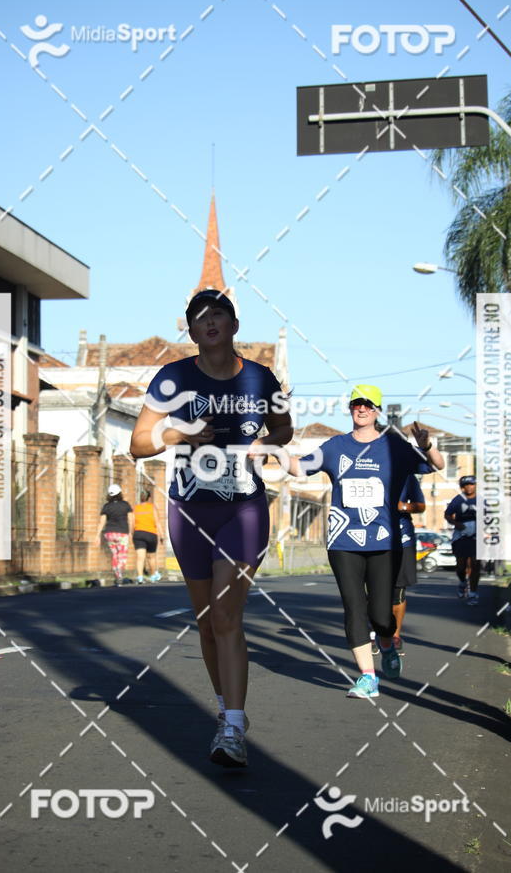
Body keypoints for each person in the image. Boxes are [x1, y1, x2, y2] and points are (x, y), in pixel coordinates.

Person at [130, 289, 293, 767]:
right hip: (188, 509)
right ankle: (226, 714)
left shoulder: (262, 378)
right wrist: (178, 433)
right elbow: (139, 444)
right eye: (199, 318)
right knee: (206, 623)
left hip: (243, 508)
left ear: (234, 325)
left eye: (218, 314)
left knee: (226, 617)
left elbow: (283, 429)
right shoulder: (173, 378)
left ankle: (235, 728)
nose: (210, 322)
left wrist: (265, 443)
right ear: (192, 330)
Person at [282, 384, 444, 699]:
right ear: (350, 408)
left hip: (385, 540)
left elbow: (436, 465)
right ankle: (367, 677)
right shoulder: (335, 447)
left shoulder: (395, 447)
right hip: (343, 539)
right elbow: (298, 468)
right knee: (353, 606)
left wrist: (427, 445)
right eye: (357, 403)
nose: (362, 409)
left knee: (381, 614)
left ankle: (386, 642)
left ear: (378, 411)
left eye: (368, 405)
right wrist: (275, 449)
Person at [391, 475, 426, 654]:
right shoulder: (365, 468)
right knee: (373, 591)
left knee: (398, 591)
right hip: (371, 538)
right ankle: (377, 632)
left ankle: (395, 635)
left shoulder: (407, 476)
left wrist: (403, 506)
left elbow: (420, 505)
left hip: (402, 539)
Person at [445, 475, 479, 605]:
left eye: (471, 484)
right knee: (461, 565)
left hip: (476, 536)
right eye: (466, 485)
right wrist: (456, 523)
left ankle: (473, 593)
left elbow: (489, 516)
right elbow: (447, 514)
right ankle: (462, 581)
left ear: (475, 485)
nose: (469, 487)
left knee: (475, 565)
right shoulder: (458, 500)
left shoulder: (481, 500)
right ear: (462, 487)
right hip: (461, 535)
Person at [96, 484, 134, 586]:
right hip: (122, 533)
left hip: (109, 533)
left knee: (114, 554)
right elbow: (131, 519)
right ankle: (119, 573)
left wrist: (97, 535)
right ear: (120, 493)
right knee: (122, 554)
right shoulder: (125, 505)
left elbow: (101, 522)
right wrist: (131, 532)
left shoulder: (106, 506)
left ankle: (116, 573)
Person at [133, 489, 164, 583]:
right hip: (151, 534)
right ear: (149, 498)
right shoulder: (152, 507)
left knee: (140, 557)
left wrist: (132, 533)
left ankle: (140, 577)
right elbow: (157, 522)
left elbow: (132, 522)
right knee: (151, 556)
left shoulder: (136, 508)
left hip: (138, 533)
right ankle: (154, 575)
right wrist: (162, 535)